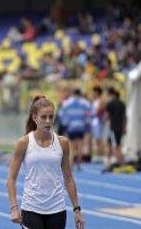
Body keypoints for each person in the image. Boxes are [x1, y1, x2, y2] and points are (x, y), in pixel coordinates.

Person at [7, 95, 84, 229]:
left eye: (51, 117)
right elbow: (11, 179)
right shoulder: (23, 143)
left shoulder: (63, 143)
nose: (48, 121)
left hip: (57, 209)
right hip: (31, 208)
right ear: (35, 117)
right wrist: (14, 208)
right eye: (43, 117)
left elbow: (69, 178)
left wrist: (77, 210)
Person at [63, 89, 91, 170]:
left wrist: (65, 125)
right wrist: (87, 125)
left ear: (73, 93)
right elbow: (88, 115)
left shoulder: (67, 103)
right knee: (80, 146)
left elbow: (63, 115)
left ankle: (71, 164)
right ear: (80, 94)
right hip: (81, 127)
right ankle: (78, 164)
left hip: (71, 127)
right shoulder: (85, 103)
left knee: (71, 147)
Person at [105, 88, 126, 167]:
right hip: (120, 127)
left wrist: (103, 122)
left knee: (114, 145)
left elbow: (107, 116)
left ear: (112, 94)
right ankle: (118, 161)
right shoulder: (122, 103)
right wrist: (124, 127)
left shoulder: (110, 104)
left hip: (113, 127)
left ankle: (119, 162)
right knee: (117, 144)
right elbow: (124, 117)